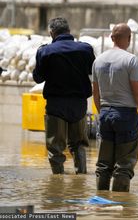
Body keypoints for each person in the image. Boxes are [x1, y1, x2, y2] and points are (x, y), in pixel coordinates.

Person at [92, 23, 138, 192]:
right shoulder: (130, 60)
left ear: (111, 38)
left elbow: (95, 93)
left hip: (105, 114)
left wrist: (103, 113)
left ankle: (101, 204)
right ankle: (121, 208)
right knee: (123, 166)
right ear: (129, 39)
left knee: (103, 165)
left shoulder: (98, 60)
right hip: (125, 116)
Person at [33, 17, 95, 175]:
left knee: (55, 147)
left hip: (56, 105)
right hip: (79, 105)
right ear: (68, 31)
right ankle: (80, 178)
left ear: (52, 33)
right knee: (78, 144)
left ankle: (57, 183)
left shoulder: (45, 51)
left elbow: (38, 78)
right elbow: (92, 71)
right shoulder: (85, 49)